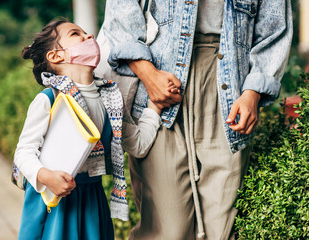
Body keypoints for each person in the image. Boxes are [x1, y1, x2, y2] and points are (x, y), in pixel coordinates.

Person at [102, 0, 293, 239]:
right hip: (159, 81)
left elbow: (274, 25)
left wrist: (253, 92)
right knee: (166, 228)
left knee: (221, 225)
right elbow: (121, 6)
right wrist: (147, 74)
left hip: (230, 86)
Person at [13, 18, 174, 240]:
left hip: (91, 196)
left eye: (87, 32)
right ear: (56, 56)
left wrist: (154, 108)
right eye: (75, 34)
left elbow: (137, 145)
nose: (88, 36)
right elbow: (23, 152)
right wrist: (46, 176)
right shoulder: (49, 100)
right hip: (53, 199)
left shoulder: (111, 100)